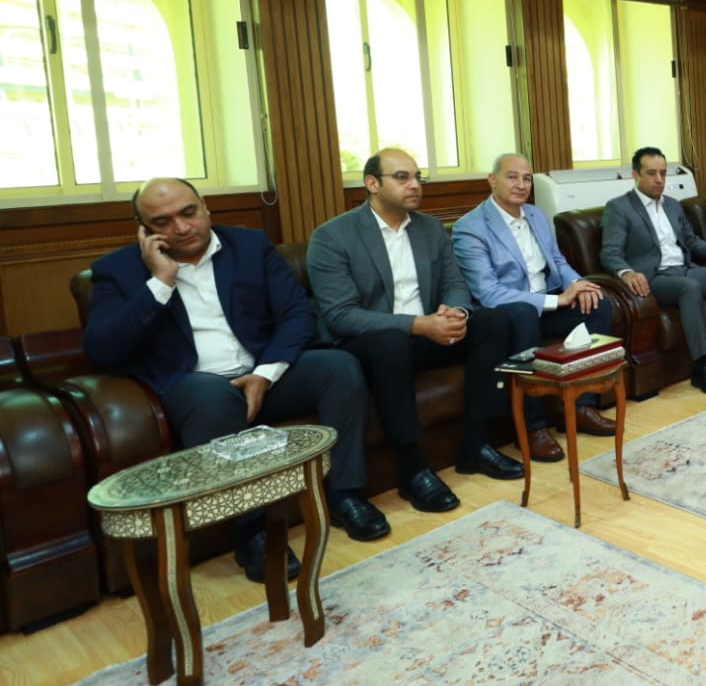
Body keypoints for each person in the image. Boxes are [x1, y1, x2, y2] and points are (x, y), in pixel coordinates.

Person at [82, 178, 386, 583]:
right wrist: (160, 282)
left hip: (264, 372)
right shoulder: (116, 271)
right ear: (143, 229)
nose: (181, 227)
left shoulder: (249, 245)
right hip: (195, 384)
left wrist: (264, 373)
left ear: (205, 206)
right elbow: (102, 350)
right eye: (162, 222)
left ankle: (345, 495)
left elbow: (297, 312)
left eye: (188, 213)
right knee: (213, 397)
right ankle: (252, 533)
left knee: (339, 367)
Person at [307, 148, 524, 515]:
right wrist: (417, 324)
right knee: (391, 342)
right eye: (401, 177)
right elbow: (341, 316)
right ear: (372, 183)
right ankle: (413, 469)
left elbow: (454, 284)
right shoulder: (333, 236)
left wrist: (455, 312)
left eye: (417, 177)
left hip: (427, 335)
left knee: (494, 320)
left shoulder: (429, 228)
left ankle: (476, 444)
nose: (414, 185)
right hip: (370, 344)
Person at [452, 152, 617, 450]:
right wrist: (558, 301)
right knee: (525, 313)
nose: (521, 184)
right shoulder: (471, 227)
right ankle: (532, 427)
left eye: (526, 178)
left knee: (597, 303)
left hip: (547, 302)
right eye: (512, 177)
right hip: (509, 314)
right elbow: (488, 293)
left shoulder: (536, 215)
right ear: (492, 180)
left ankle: (581, 407)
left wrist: (578, 285)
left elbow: (558, 261)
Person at [600, 147, 706, 395]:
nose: (659, 179)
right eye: (651, 173)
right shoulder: (619, 207)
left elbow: (692, 243)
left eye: (663, 173)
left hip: (685, 269)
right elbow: (610, 253)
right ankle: (702, 367)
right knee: (689, 288)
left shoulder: (672, 205)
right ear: (635, 175)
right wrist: (626, 272)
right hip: (654, 278)